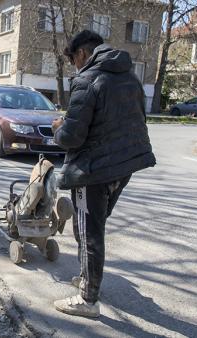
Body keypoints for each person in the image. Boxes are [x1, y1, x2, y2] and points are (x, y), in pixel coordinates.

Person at [51, 30, 156, 318]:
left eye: (73, 59)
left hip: (93, 170)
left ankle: (88, 299)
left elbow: (72, 137)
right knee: (90, 227)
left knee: (88, 234)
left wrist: (58, 126)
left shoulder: (87, 79)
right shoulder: (130, 77)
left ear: (82, 54)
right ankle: (89, 279)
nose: (75, 65)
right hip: (125, 166)